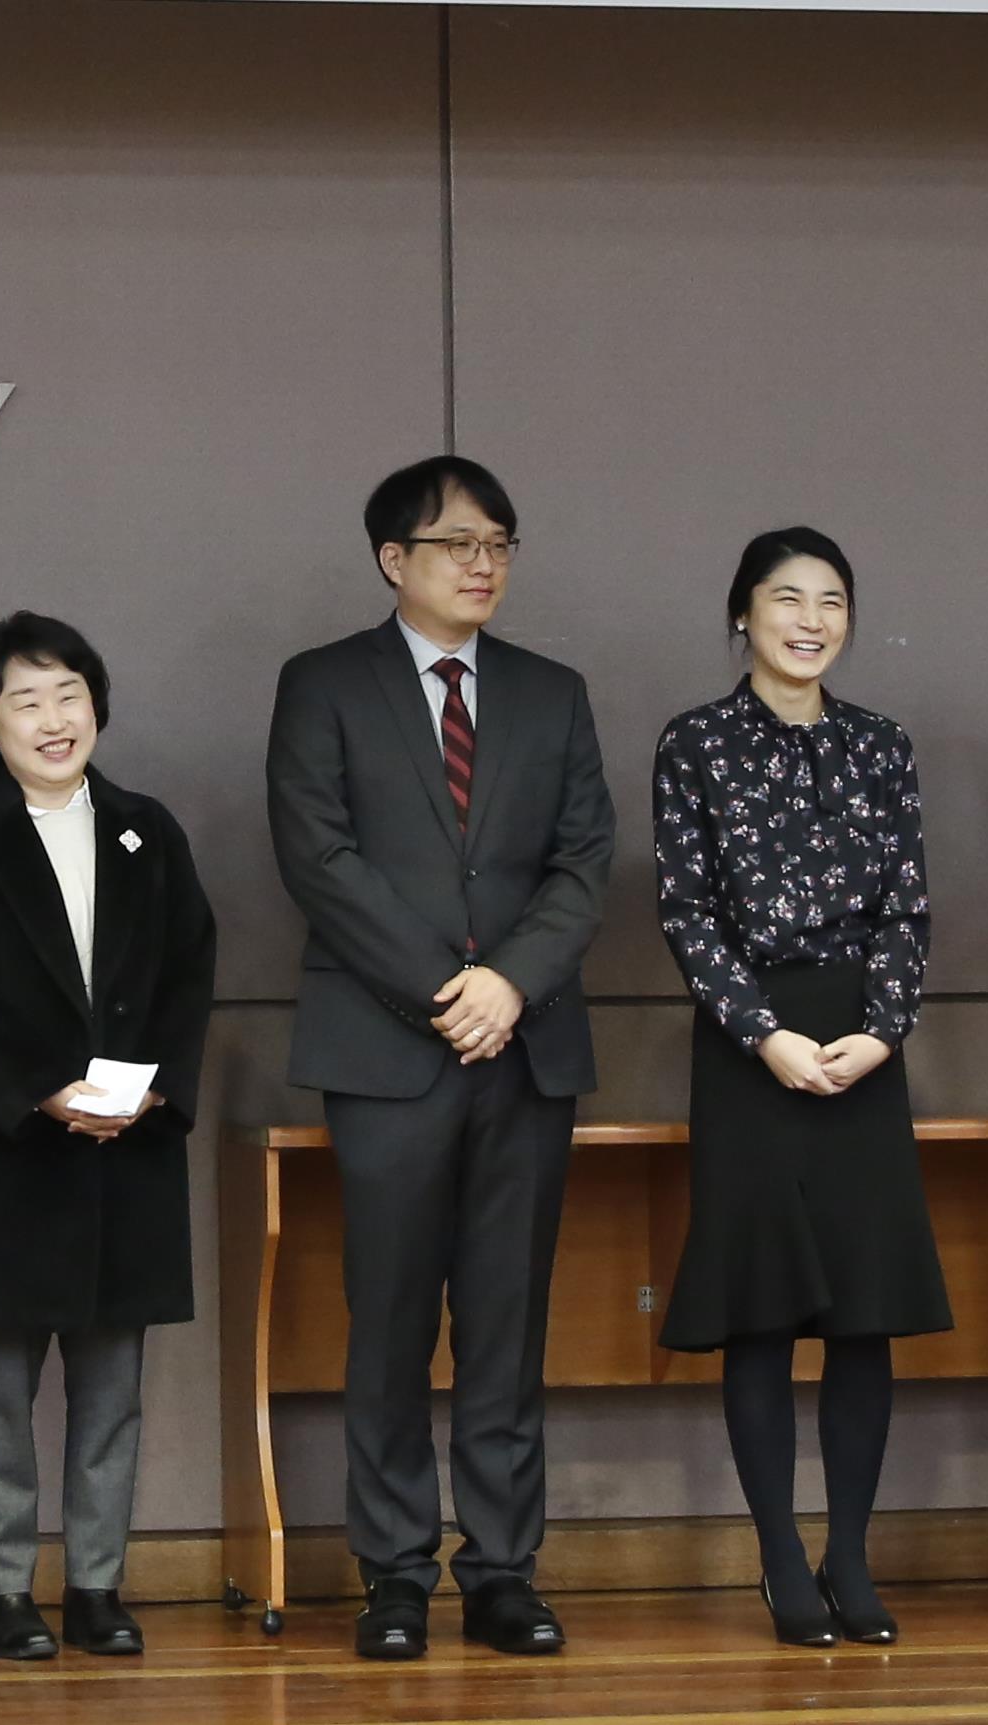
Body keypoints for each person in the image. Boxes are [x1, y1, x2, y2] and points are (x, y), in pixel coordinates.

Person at [265, 455, 614, 1660]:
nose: (483, 564)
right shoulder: (322, 686)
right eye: (458, 543)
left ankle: (504, 1571)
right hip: (387, 1052)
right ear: (391, 559)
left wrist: (509, 982)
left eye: (500, 544)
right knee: (391, 1322)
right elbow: (318, 858)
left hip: (525, 1051)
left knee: (509, 1326)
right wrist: (441, 991)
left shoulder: (552, 692)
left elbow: (582, 866)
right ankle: (395, 1575)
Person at [652, 527, 948, 1647]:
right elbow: (685, 909)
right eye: (787, 598)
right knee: (762, 1312)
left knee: (862, 1317)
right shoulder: (696, 743)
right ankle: (779, 1557)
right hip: (749, 1050)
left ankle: (852, 1557)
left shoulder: (881, 743)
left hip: (864, 1048)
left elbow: (907, 907)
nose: (810, 619)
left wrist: (880, 1032)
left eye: (831, 600)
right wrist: (763, 1033)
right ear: (743, 613)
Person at [0, 613, 215, 1661]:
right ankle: (0, 1590)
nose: (53, 718)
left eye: (69, 693)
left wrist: (151, 1091)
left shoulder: (145, 827)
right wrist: (38, 1092)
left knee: (113, 1386)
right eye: (26, 700)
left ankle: (95, 1586)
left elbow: (187, 972)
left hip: (127, 1143)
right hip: (10, 1146)